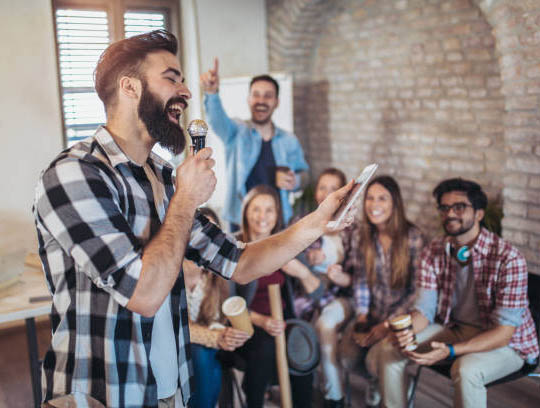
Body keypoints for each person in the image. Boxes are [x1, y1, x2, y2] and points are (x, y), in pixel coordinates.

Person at [32, 30, 354, 408]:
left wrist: (317, 222)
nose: (185, 91)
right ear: (130, 87)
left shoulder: (163, 178)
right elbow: (144, 293)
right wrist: (186, 198)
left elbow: (242, 262)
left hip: (171, 388)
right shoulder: (76, 175)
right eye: (171, 77)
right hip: (105, 394)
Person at [377, 178, 539, 408]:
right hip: (456, 329)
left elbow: (504, 333)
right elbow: (424, 310)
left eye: (460, 207)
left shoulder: (508, 259)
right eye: (444, 208)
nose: (450, 213)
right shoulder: (433, 251)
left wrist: (451, 351)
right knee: (389, 349)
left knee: (465, 369)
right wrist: (407, 332)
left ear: (479, 214)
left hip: (508, 344)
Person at [230, 185, 323, 408]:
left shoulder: (284, 244)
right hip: (248, 325)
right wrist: (262, 321)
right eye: (256, 209)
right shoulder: (233, 246)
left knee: (301, 350)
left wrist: (300, 271)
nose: (262, 217)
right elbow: (228, 302)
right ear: (246, 212)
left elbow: (319, 293)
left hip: (284, 322)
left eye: (269, 210)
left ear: (277, 214)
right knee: (265, 348)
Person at [337, 176, 425, 408]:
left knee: (376, 360)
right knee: (346, 356)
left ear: (394, 203)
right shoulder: (362, 235)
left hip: (400, 320)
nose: (374, 204)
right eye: (370, 198)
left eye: (382, 199)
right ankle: (378, 381)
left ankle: (388, 381)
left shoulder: (413, 237)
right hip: (373, 314)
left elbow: (416, 292)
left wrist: (385, 326)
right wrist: (363, 318)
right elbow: (361, 281)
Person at [200, 58, 309, 230]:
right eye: (256, 95)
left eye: (268, 96)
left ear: (276, 102)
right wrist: (211, 93)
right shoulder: (236, 131)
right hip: (241, 221)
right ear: (249, 99)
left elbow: (305, 175)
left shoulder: (289, 140)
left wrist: (295, 181)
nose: (261, 100)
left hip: (278, 222)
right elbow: (216, 119)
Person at [182, 207, 249, 408]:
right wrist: (215, 337)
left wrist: (226, 335)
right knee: (199, 354)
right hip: (176, 343)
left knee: (204, 355)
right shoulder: (171, 273)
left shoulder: (220, 276)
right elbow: (176, 325)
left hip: (210, 345)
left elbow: (220, 321)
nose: (204, 242)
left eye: (211, 235)